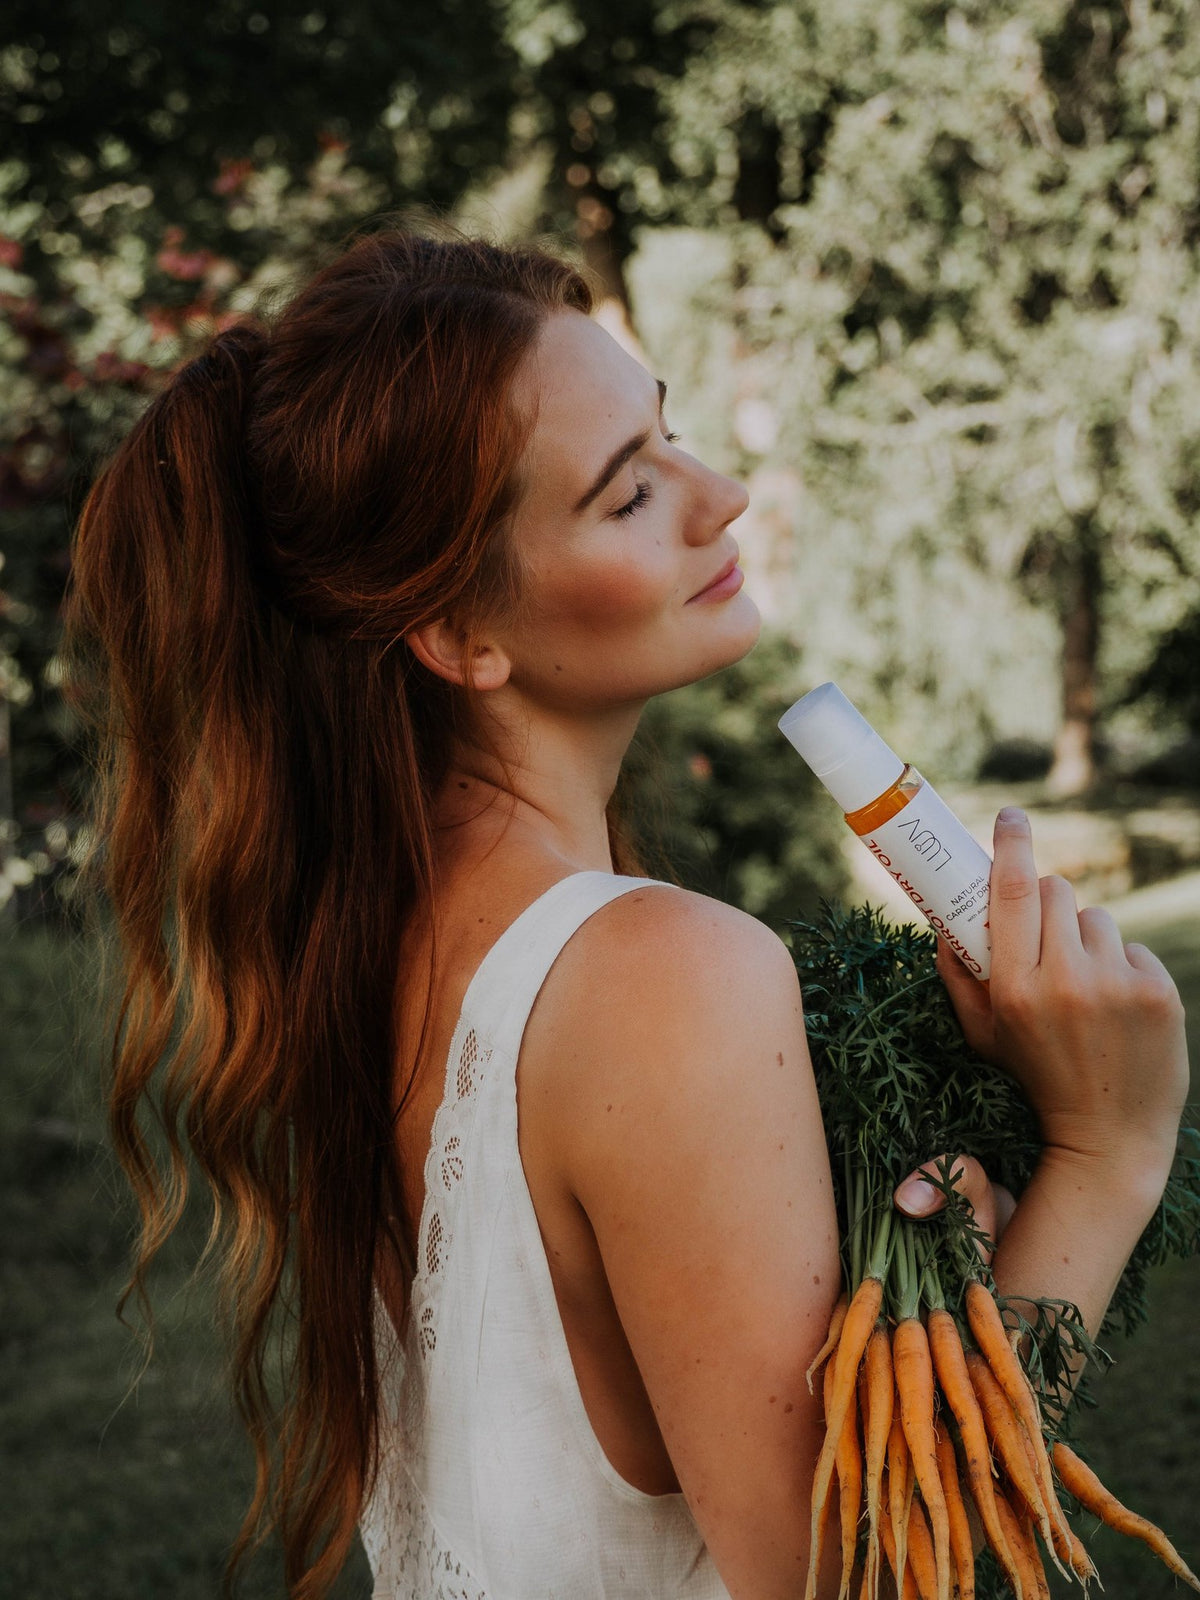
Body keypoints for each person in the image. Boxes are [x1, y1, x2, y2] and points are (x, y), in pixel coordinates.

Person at [63, 227, 1189, 1600]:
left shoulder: (377, 949)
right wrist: (1107, 1148)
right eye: (625, 493)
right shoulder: (659, 976)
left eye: (671, 437)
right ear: (460, 634)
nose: (718, 496)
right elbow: (854, 1580)